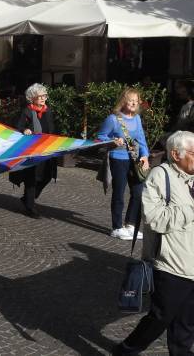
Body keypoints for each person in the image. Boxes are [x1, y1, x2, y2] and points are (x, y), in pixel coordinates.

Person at [113, 131, 194, 356]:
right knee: (161, 317)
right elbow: (155, 219)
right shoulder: (160, 176)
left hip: (193, 263)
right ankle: (126, 350)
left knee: (187, 323)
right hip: (170, 264)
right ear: (176, 154)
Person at [98, 88, 150, 240]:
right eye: (130, 100)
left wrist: (145, 156)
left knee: (138, 192)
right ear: (123, 101)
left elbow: (142, 140)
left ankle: (131, 224)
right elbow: (100, 137)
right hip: (118, 158)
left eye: (136, 100)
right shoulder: (113, 119)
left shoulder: (137, 119)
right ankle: (117, 227)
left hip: (134, 160)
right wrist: (112, 141)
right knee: (119, 193)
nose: (133, 103)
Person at [9, 84, 57, 219]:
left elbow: (52, 129)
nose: (43, 98)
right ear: (32, 98)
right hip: (32, 151)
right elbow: (18, 127)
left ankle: (28, 198)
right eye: (40, 96)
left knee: (47, 175)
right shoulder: (27, 111)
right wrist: (24, 130)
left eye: (45, 95)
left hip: (46, 149)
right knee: (32, 178)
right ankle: (30, 206)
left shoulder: (48, 111)